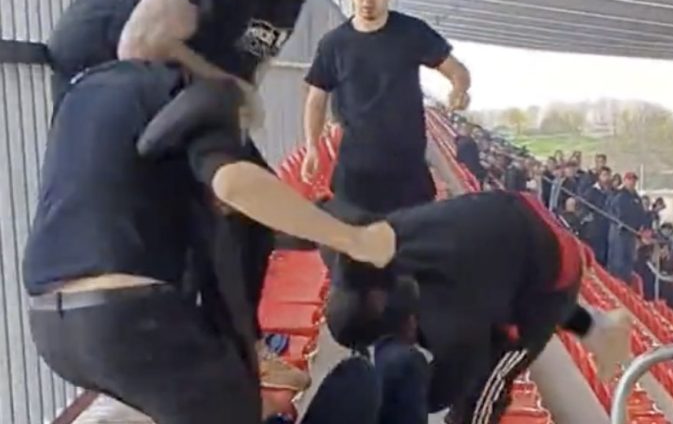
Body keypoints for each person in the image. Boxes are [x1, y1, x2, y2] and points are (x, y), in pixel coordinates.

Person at [44, 0, 373, 390]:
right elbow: (141, 44)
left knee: (248, 213)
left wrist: (235, 103)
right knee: (211, 214)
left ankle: (234, 348)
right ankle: (217, 351)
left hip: (176, 98)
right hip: (104, 91)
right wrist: (228, 90)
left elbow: (247, 68)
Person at [23, 61, 396, 424]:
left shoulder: (85, 91)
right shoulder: (195, 90)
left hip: (52, 329)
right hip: (133, 322)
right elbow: (235, 189)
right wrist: (355, 239)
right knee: (356, 382)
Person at [319, 190, 632, 424]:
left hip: (549, 260)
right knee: (512, 295)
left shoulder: (455, 326)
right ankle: (602, 329)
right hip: (503, 217)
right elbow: (323, 210)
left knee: (486, 387)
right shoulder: (358, 250)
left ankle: (603, 331)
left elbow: (441, 392)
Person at [301, 0, 471, 213]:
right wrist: (312, 147)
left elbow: (457, 70)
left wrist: (459, 89)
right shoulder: (333, 44)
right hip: (355, 178)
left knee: (410, 250)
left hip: (408, 176)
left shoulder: (412, 33)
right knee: (354, 250)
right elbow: (316, 99)